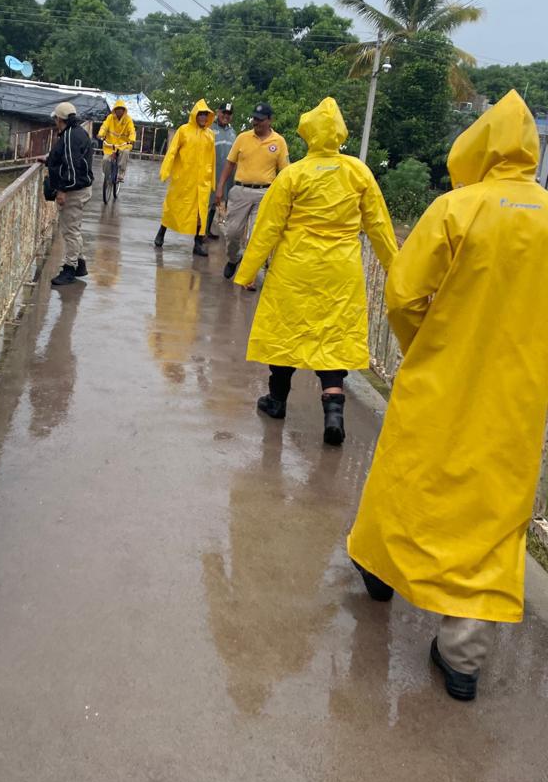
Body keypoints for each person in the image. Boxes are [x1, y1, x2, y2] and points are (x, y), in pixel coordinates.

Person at [347, 90, 548, 702]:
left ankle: (381, 568)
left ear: (478, 146)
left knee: (408, 475)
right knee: (493, 511)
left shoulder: (456, 208)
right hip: (519, 393)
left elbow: (404, 295)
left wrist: (423, 344)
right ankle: (463, 655)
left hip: (442, 374)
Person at [234, 97, 397, 444]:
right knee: (333, 336)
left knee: (286, 333)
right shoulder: (358, 172)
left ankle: (277, 400)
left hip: (296, 267)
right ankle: (334, 411)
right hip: (341, 269)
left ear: (307, 133)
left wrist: (245, 272)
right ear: (339, 133)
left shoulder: (294, 174)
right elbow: (380, 226)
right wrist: (397, 270)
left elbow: (267, 229)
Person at [216, 102, 289, 281]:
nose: (255, 123)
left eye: (260, 120)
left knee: (257, 236)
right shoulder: (242, 138)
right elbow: (230, 163)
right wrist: (220, 186)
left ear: (270, 120)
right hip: (240, 190)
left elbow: (286, 172)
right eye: (254, 119)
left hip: (265, 193)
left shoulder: (279, 142)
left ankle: (249, 276)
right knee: (232, 233)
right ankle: (234, 259)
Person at [154, 100, 215, 257]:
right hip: (183, 179)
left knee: (201, 213)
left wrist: (212, 180)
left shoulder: (210, 135)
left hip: (202, 182)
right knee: (173, 206)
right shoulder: (184, 131)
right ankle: (161, 232)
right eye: (200, 114)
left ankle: (198, 243)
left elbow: (212, 160)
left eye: (205, 115)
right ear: (195, 115)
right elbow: (172, 151)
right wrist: (166, 170)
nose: (203, 117)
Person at [43, 101, 94, 286]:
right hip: (79, 189)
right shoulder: (73, 133)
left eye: (56, 118)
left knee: (70, 231)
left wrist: (63, 190)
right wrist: (49, 159)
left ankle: (69, 269)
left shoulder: (71, 136)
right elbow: (62, 155)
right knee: (73, 228)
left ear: (59, 119)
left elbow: (72, 167)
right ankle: (80, 264)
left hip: (74, 191)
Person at [206, 103, 236, 240]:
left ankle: (207, 230)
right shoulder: (210, 129)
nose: (226, 116)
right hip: (210, 174)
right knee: (206, 203)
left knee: (215, 203)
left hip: (225, 176)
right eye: (224, 113)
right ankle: (199, 233)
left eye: (229, 114)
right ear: (218, 112)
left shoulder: (232, 132)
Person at [98, 99, 136, 183]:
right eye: (117, 109)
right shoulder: (110, 118)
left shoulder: (128, 120)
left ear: (124, 110)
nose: (119, 111)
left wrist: (132, 139)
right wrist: (101, 134)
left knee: (125, 153)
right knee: (105, 160)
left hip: (123, 144)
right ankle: (107, 174)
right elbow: (104, 126)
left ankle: (121, 173)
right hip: (110, 144)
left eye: (121, 109)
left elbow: (132, 130)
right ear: (114, 110)